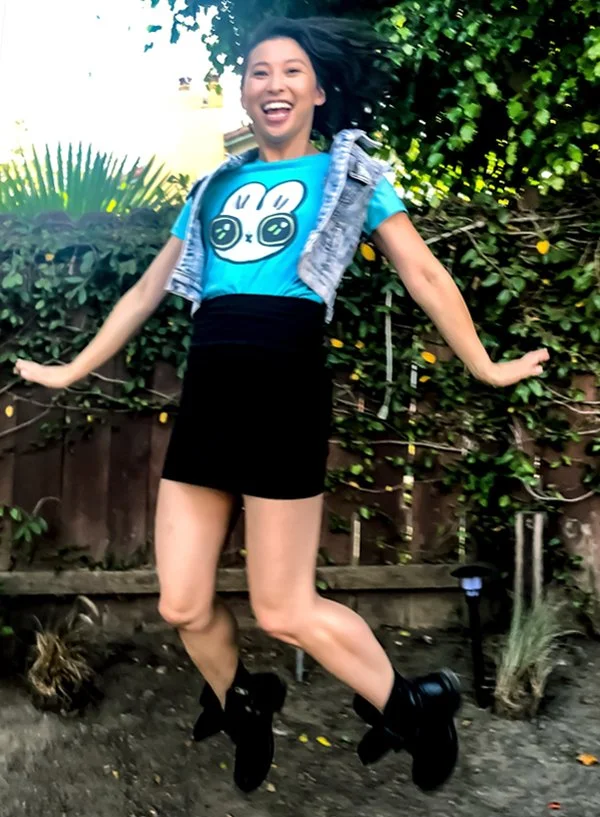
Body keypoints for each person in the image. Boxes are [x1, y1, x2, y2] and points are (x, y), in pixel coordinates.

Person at [15, 15, 549, 795]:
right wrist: (71, 369)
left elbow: (425, 273)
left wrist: (486, 365)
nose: (274, 83)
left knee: (285, 608)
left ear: (318, 90)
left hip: (284, 396)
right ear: (244, 91)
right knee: (181, 602)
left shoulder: (349, 177)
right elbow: (147, 289)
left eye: (291, 70)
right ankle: (245, 701)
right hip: (209, 399)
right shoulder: (213, 187)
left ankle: (415, 706)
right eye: (259, 71)